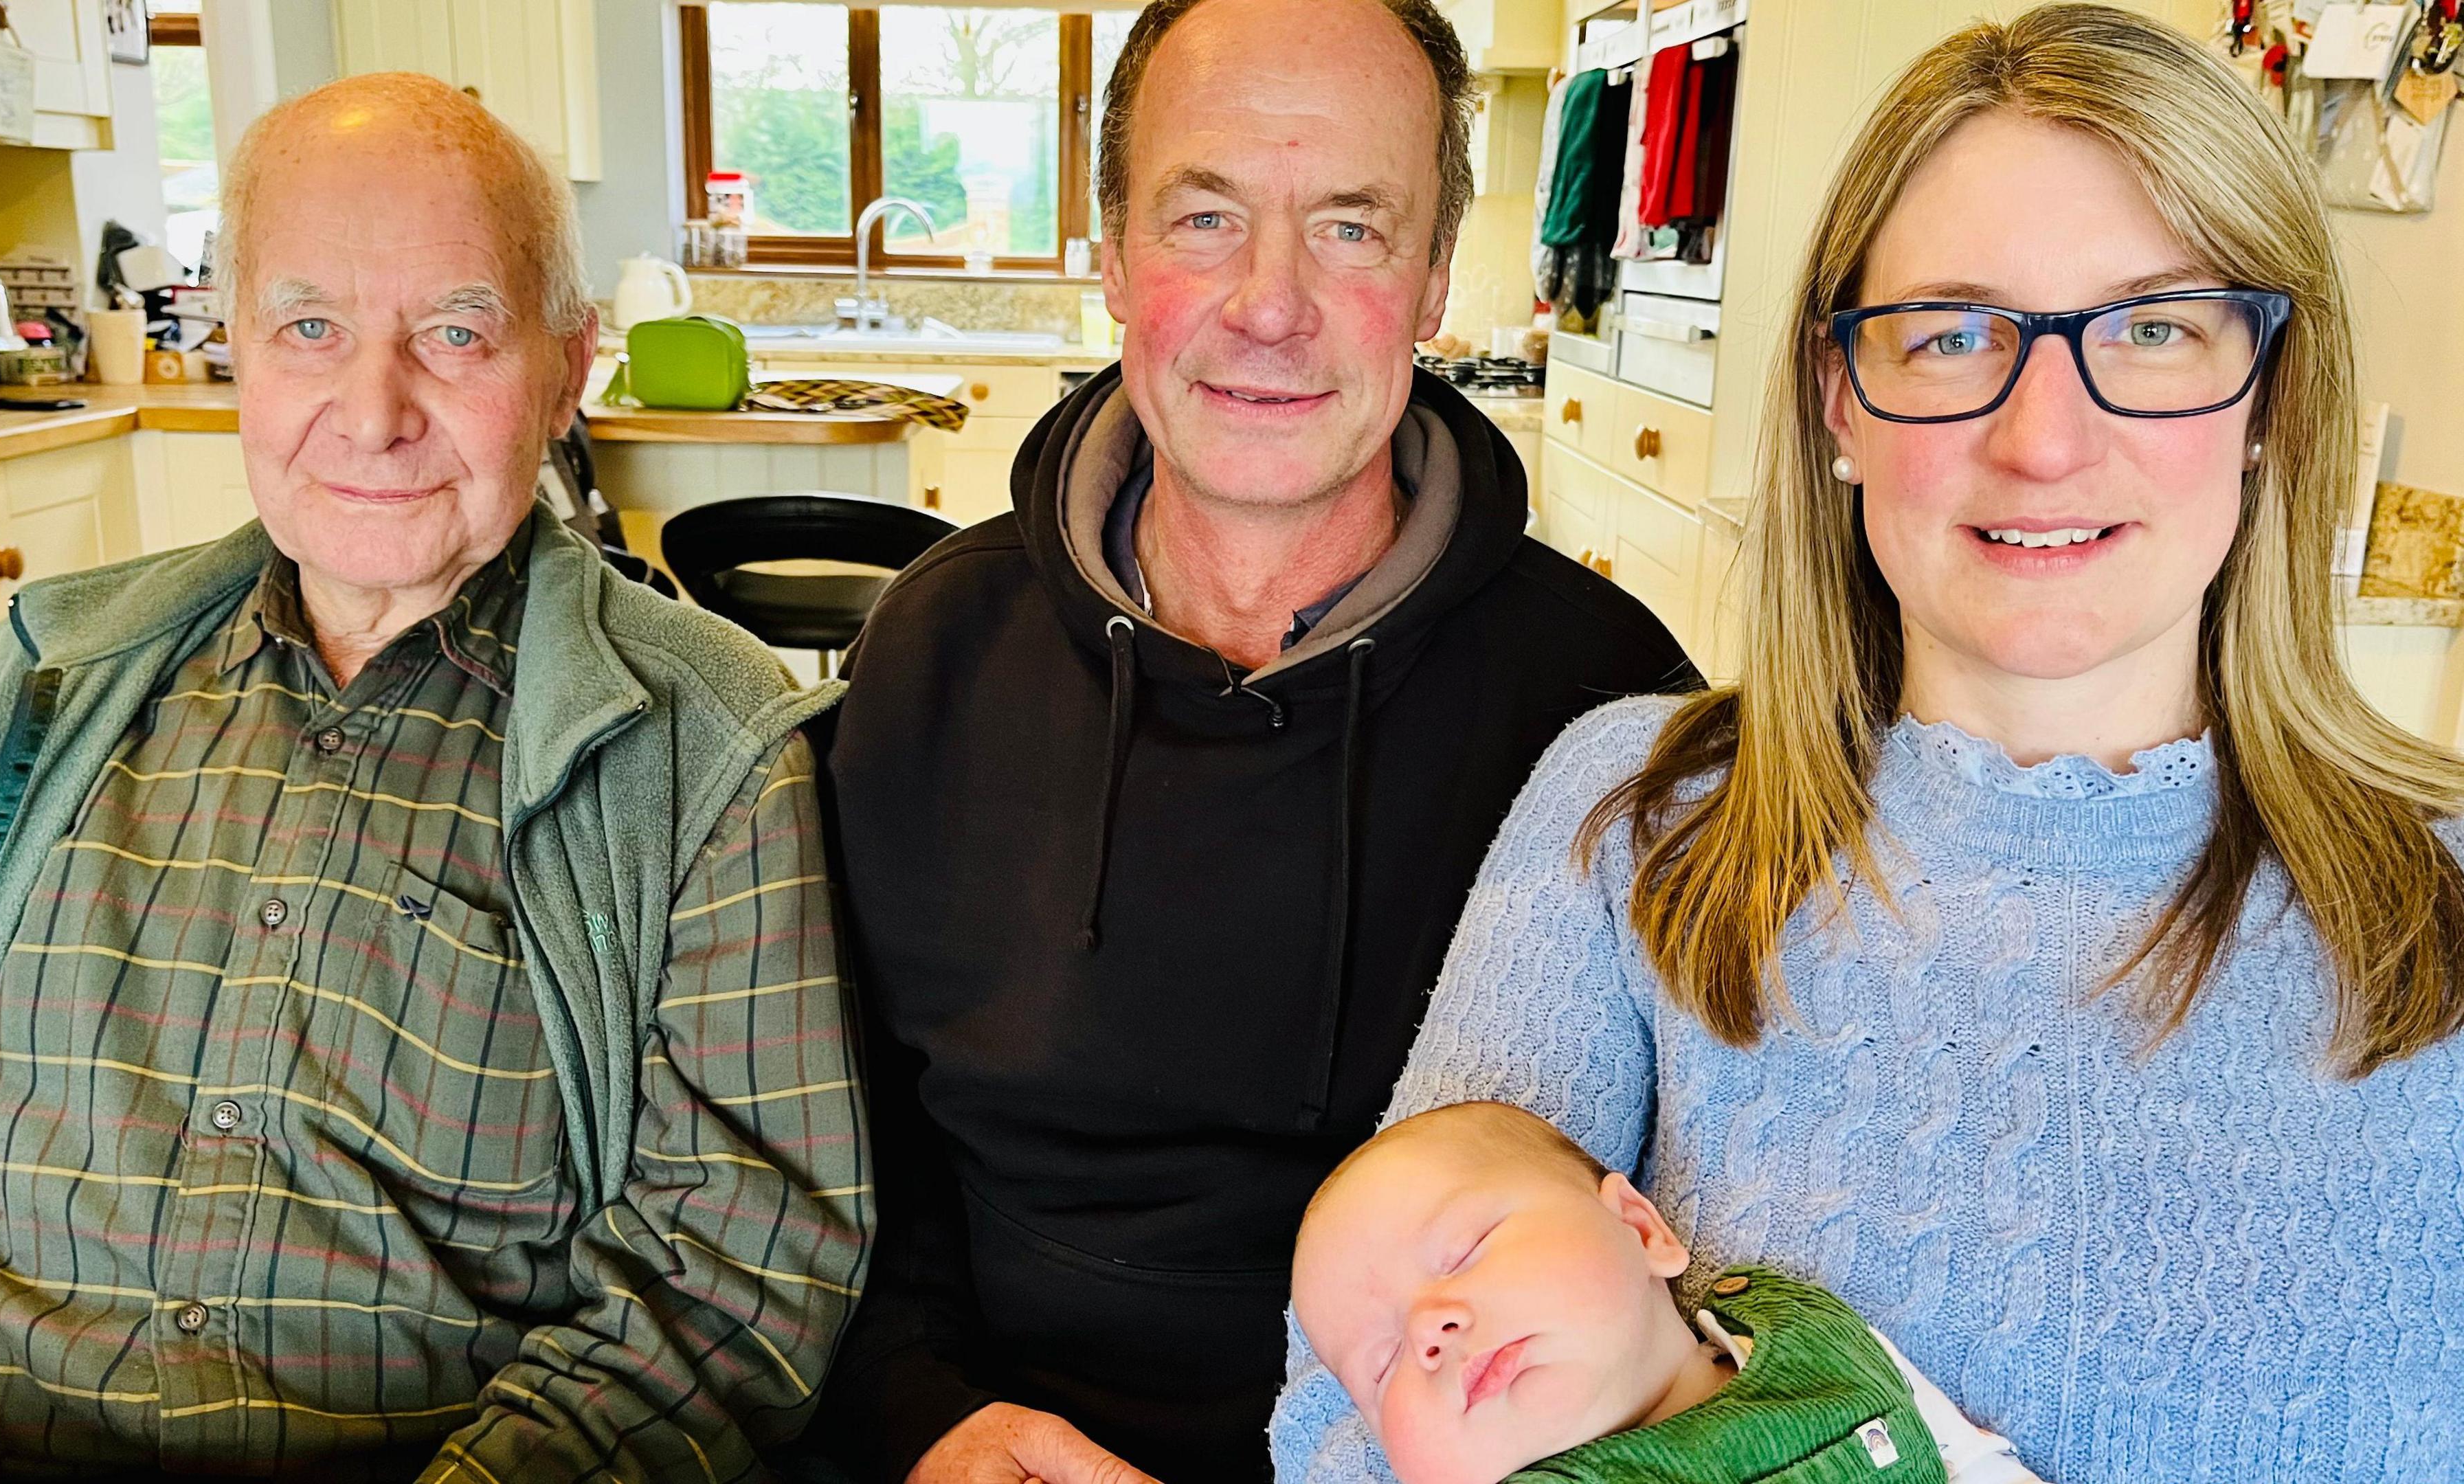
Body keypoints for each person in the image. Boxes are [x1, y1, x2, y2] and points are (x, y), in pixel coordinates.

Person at [1272, 6, 2464, 1480]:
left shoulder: (2448, 900)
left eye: (2153, 329)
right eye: (1952, 333)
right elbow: (1356, 1416)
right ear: (1840, 398)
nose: (2043, 440)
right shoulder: (1634, 815)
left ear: (2270, 395)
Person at [0, 76, 868, 1481]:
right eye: (310, 329)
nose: (372, 413)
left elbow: (729, 1278)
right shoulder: (17, 693)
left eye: (454, 333)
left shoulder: (707, 754)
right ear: (237, 351)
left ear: (568, 368)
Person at [810, 0, 1692, 1478]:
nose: (1270, 305)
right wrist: (926, 1419)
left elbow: (1688, 1226)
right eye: (1205, 217)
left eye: (1351, 228)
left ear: (1429, 282)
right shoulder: (932, 654)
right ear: (1112, 258)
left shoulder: (1612, 718)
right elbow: (844, 1147)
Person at [1292, 1102, 2038, 1484]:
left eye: (1465, 1250)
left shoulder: (1808, 1332)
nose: (1430, 1329)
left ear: (1643, 1231)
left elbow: (1970, 1462)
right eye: (1382, 1365)